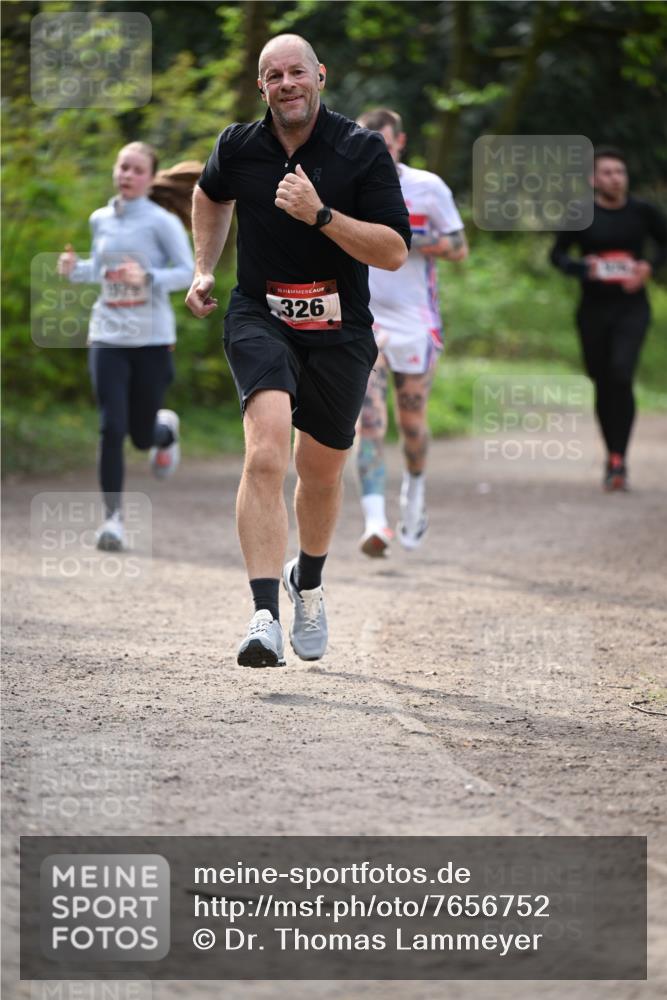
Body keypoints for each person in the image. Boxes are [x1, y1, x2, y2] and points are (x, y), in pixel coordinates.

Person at [186, 34, 410, 667]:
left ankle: (306, 581)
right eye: (273, 74)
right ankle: (263, 617)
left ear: (320, 77)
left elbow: (393, 249)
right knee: (265, 451)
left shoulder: (360, 150)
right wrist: (204, 269)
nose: (285, 83)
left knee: (321, 472)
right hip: (261, 314)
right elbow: (208, 194)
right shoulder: (238, 146)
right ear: (261, 86)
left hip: (341, 329)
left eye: (296, 72)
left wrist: (321, 215)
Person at [58, 143, 196, 550]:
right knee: (110, 427)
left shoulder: (161, 222)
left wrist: (147, 276)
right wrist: (74, 271)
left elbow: (187, 272)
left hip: (152, 339)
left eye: (136, 169)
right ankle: (113, 520)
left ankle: (164, 433)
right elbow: (101, 273)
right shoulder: (100, 219)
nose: (127, 174)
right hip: (107, 335)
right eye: (122, 167)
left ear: (151, 177)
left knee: (139, 435)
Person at [354, 109, 468, 557]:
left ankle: (414, 496)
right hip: (367, 319)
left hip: (417, 322)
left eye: (383, 143)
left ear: (399, 143)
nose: (376, 151)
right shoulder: (348, 185)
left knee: (412, 423)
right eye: (368, 143)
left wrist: (400, 241)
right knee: (368, 420)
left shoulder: (428, 187)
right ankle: (375, 522)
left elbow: (459, 247)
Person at [551, 146, 667, 491]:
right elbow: (557, 255)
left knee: (621, 373)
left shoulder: (643, 212)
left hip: (632, 307)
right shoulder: (580, 213)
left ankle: (620, 457)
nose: (615, 178)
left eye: (620, 172)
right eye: (607, 172)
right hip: (593, 309)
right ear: (593, 179)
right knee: (603, 380)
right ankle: (612, 454)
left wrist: (649, 267)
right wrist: (584, 268)